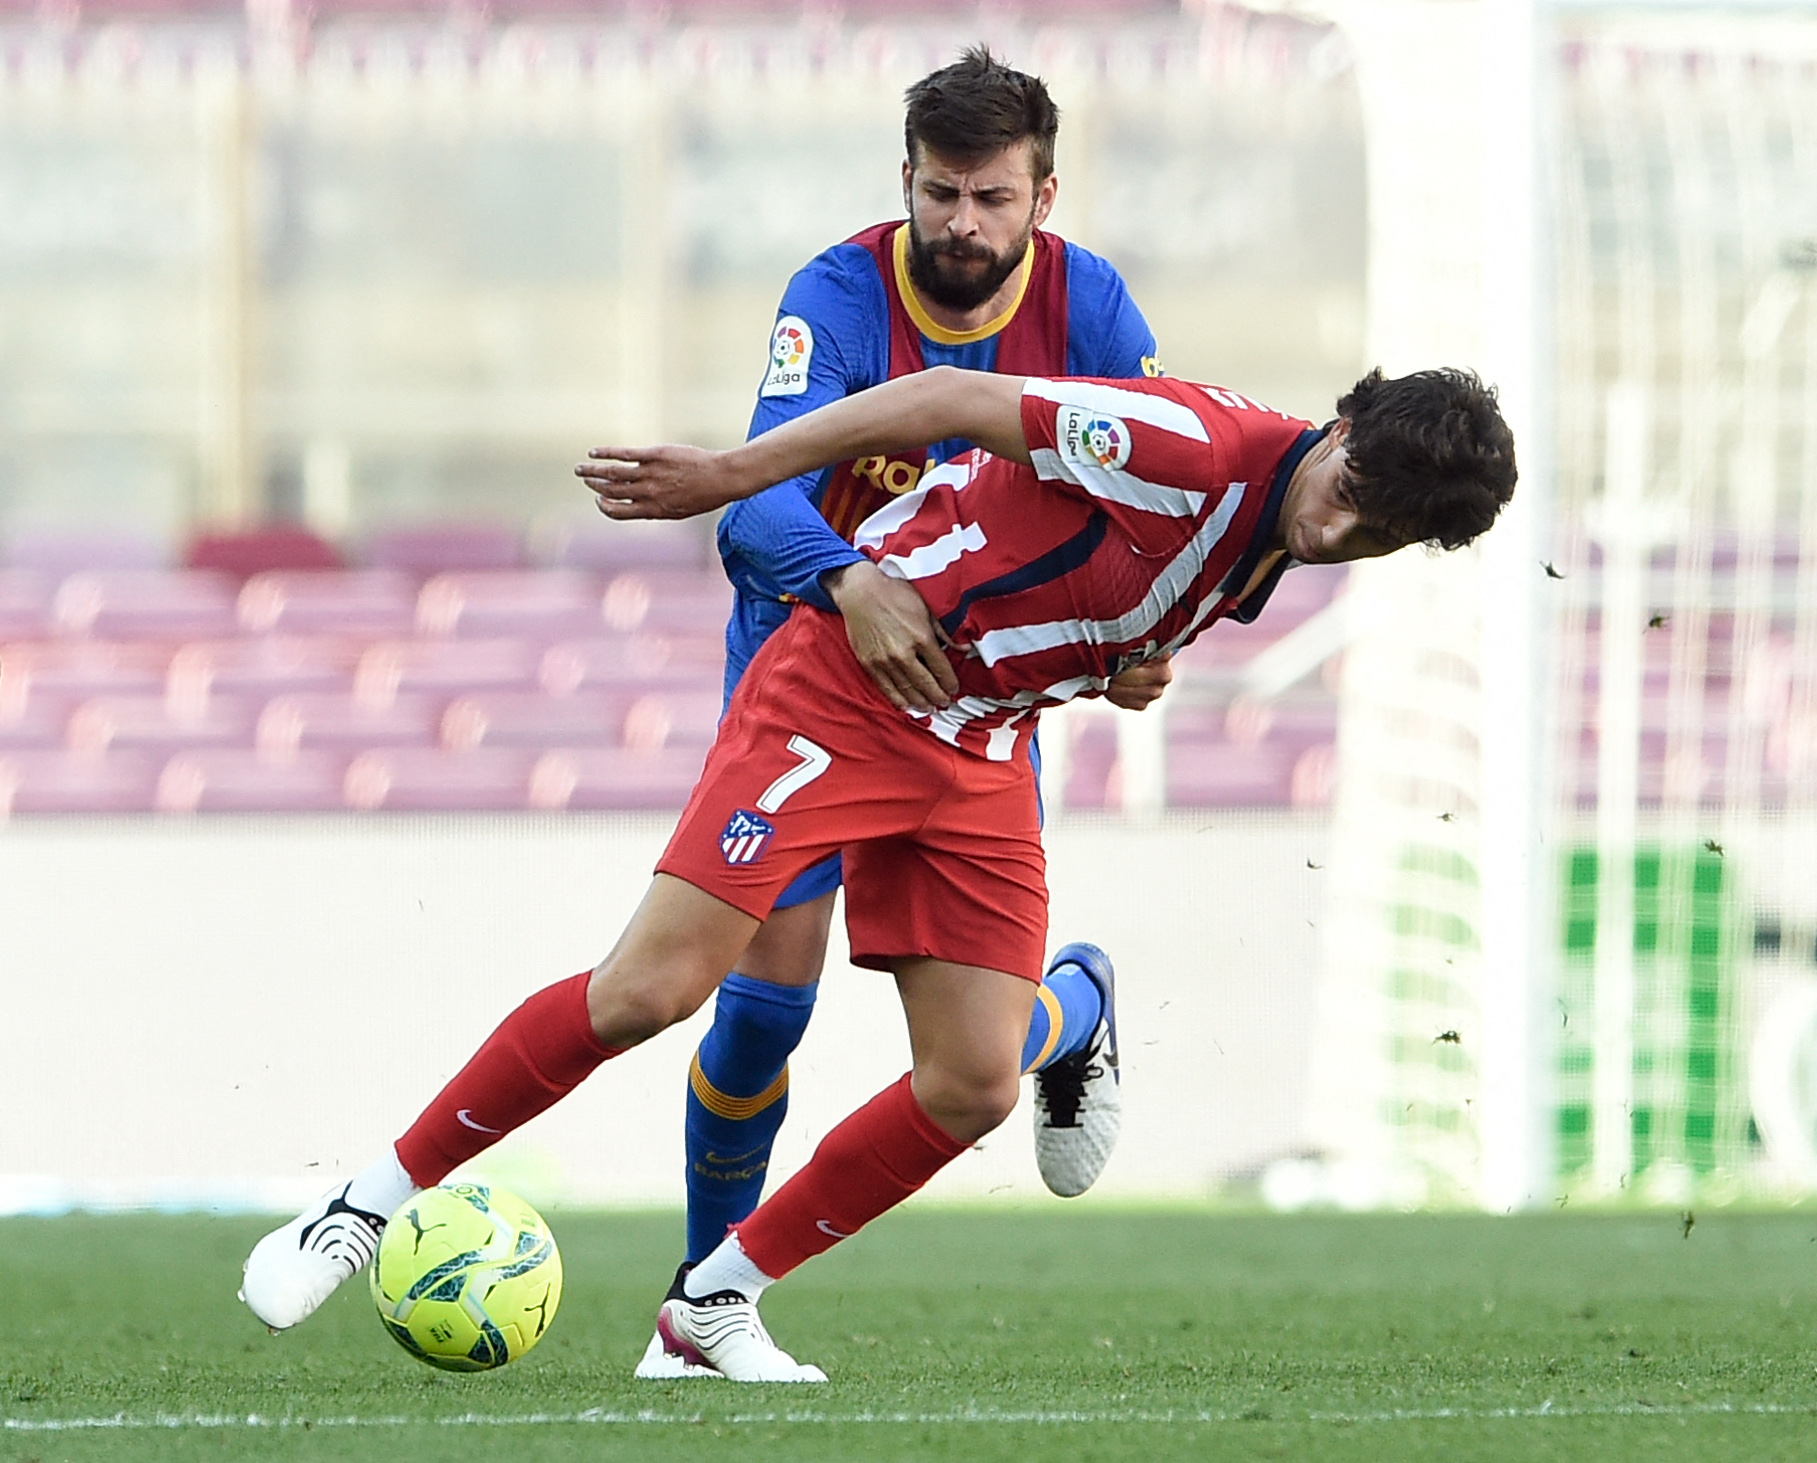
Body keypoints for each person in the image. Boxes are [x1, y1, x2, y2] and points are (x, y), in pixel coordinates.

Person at [239, 361, 1516, 1382]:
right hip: (844, 694)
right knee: (652, 990)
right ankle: (353, 1211)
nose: (1337, 524)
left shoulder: (1309, 522)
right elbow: (950, 404)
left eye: (1380, 532)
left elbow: (1111, 585)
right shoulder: (1187, 442)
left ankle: (711, 1307)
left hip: (978, 742)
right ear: (1339, 421)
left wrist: (1117, 660)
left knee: (971, 1086)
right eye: (1348, 485)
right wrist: (731, 476)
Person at [650, 48, 1169, 1378]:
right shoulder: (835, 294)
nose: (963, 225)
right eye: (941, 193)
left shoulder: (1093, 310)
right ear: (906, 183)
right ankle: (703, 1303)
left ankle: (1075, 1004)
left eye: (992, 197)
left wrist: (1141, 643)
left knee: (977, 1058)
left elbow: (1164, 503)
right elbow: (758, 498)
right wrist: (853, 579)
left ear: (1042, 195)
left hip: (976, 710)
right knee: (760, 1007)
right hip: (812, 682)